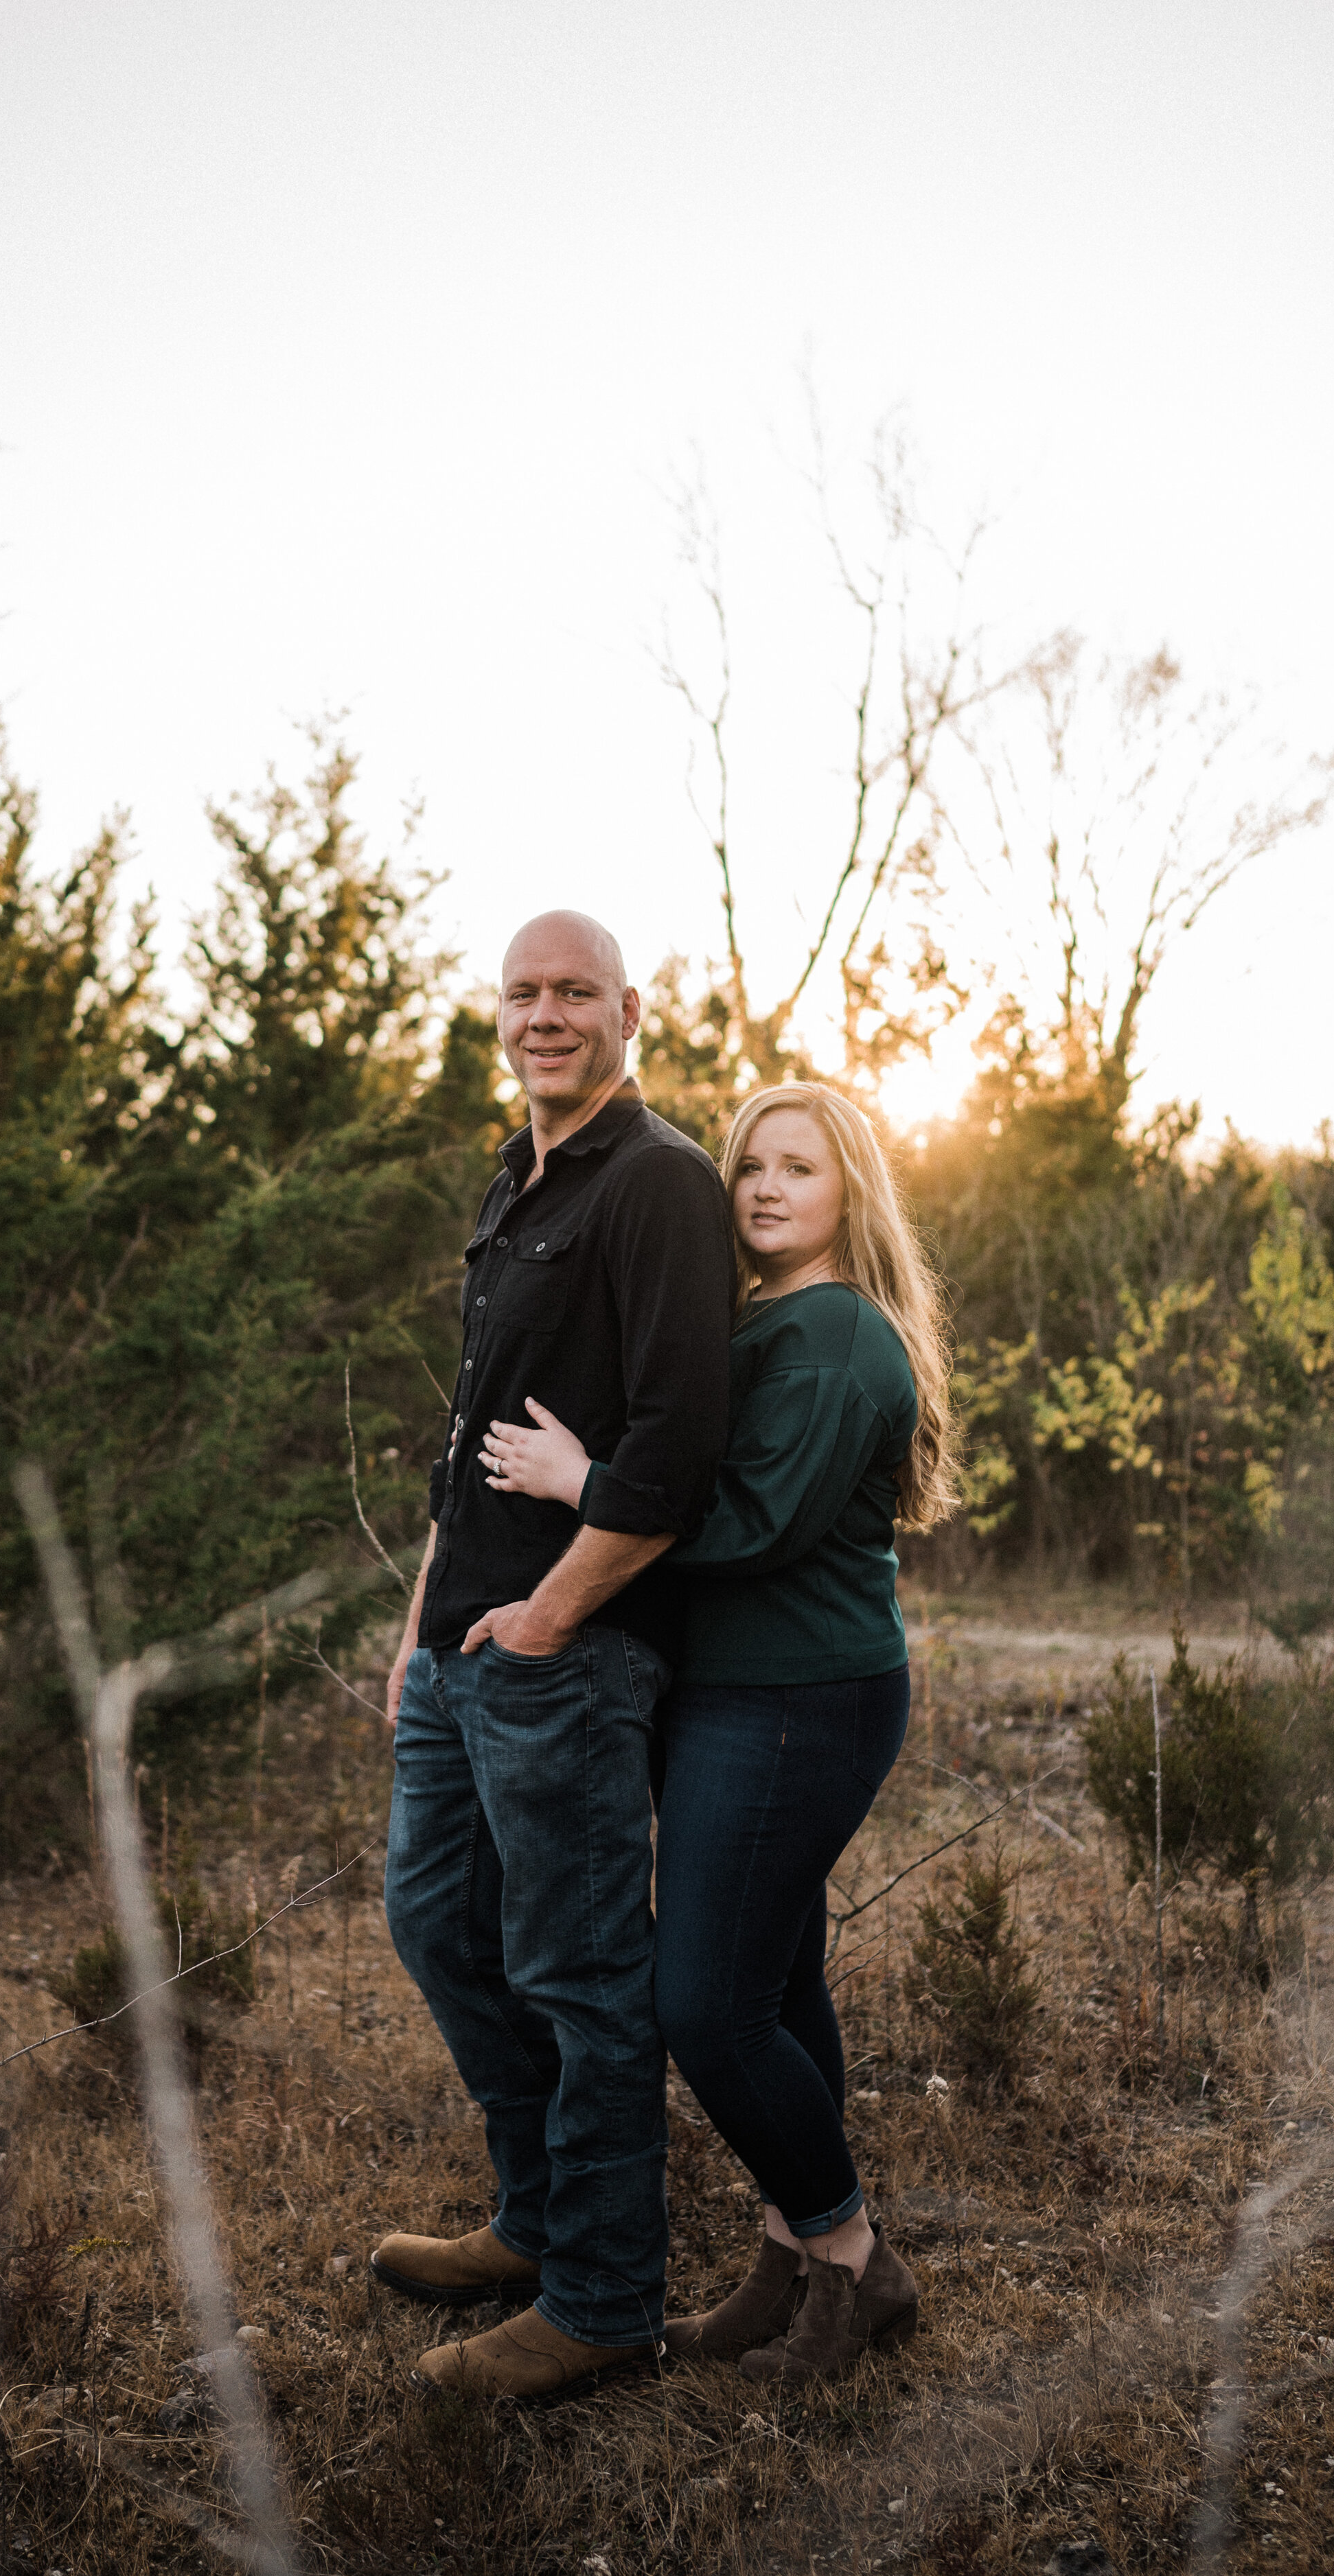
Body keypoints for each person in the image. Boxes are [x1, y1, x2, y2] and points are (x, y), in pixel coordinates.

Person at [479, 1080, 958, 2385]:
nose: (761, 1186)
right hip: (734, 1698)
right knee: (778, 1985)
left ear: (850, 1189)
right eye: (748, 1163)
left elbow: (746, 1526)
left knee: (703, 2002)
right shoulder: (766, 1322)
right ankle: (786, 2254)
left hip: (803, 1699)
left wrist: (590, 1486)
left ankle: (854, 2258)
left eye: (797, 1168)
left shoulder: (843, 1336)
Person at [373, 910, 736, 2403]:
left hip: (562, 1660)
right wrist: (416, 1637)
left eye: (572, 991)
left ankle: (599, 2298)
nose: (543, 1013)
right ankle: (530, 2222)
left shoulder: (659, 1184)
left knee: (580, 1976)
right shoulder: (513, 1181)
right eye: (522, 991)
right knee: (437, 1927)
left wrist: (548, 1618)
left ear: (627, 1011)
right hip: (458, 1657)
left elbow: (675, 1449)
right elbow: (466, 1452)